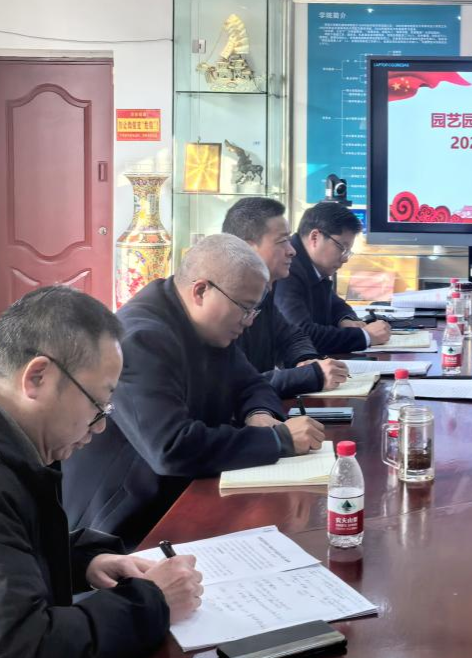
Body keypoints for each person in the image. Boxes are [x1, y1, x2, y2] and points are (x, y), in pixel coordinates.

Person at [0, 286, 203, 658]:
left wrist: (79, 561)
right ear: (37, 377)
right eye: (98, 405)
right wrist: (152, 603)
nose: (100, 427)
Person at [64, 234, 326, 548]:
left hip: (185, 493)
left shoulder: (207, 325)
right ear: (201, 290)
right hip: (126, 526)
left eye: (255, 311)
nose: (249, 322)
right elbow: (172, 448)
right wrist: (279, 439)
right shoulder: (142, 338)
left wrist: (259, 414)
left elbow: (252, 383)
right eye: (245, 308)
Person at [222, 196, 350, 397]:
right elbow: (233, 385)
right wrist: (310, 375)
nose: (292, 251)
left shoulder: (263, 293)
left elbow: (293, 336)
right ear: (247, 248)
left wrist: (305, 360)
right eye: (282, 242)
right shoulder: (221, 302)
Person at [275, 201, 392, 355]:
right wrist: (366, 336)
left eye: (348, 252)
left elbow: (334, 303)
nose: (345, 259)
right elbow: (301, 334)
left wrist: (345, 320)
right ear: (315, 237)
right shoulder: (288, 268)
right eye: (342, 248)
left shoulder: (311, 265)